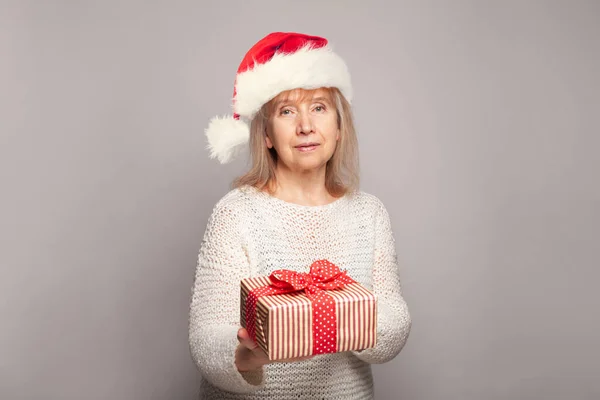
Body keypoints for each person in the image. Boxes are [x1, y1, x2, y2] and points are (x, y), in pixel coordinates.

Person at [188, 31, 411, 399]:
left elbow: (394, 322)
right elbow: (206, 336)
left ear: (338, 128)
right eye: (287, 111)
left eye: (319, 108)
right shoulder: (235, 214)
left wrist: (334, 318)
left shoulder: (369, 213)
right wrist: (244, 356)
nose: (305, 126)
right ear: (267, 135)